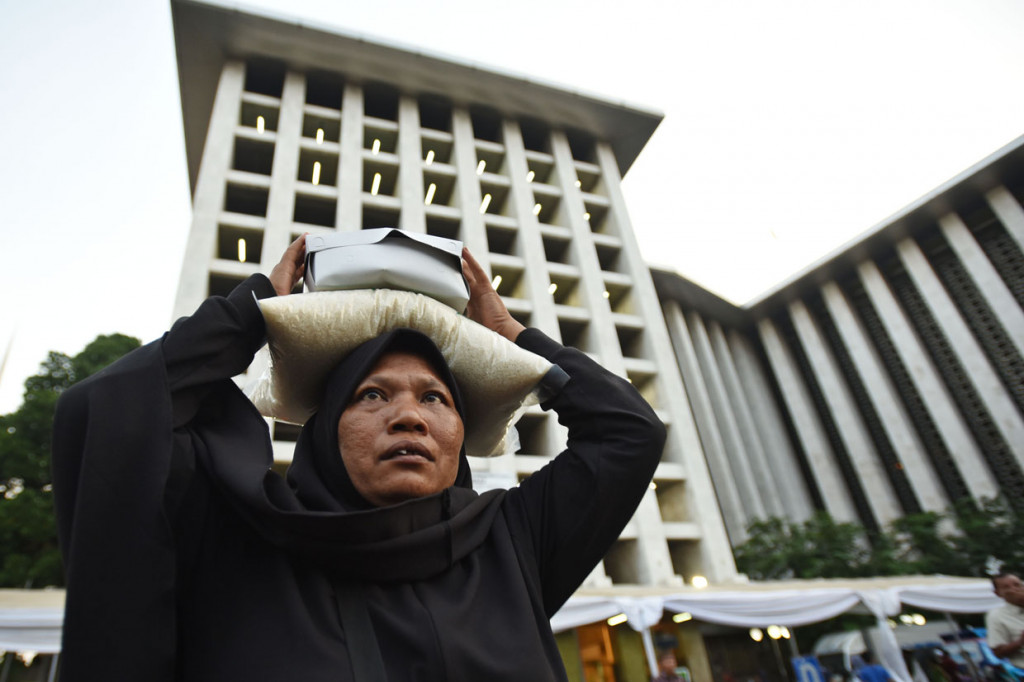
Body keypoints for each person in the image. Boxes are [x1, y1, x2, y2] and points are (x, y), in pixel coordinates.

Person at [51, 237, 666, 681]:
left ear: (459, 432)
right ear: (324, 429)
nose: (409, 416)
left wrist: (515, 338)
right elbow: (104, 415)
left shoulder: (512, 543)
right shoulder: (236, 542)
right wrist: (251, 311)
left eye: (435, 397)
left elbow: (628, 432)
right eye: (372, 395)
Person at [986, 572, 1024, 668]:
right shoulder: (997, 616)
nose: (1014, 589)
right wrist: (1020, 642)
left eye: (1017, 585)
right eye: (1006, 587)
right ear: (998, 593)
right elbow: (998, 653)